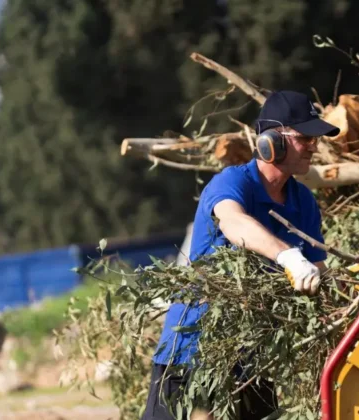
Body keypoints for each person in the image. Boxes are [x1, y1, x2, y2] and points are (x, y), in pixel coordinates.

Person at [141, 90, 341, 420]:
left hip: (253, 353)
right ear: (271, 142)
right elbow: (234, 221)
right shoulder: (233, 182)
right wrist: (288, 256)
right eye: (305, 138)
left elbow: (318, 268)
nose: (314, 146)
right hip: (192, 348)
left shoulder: (302, 200)